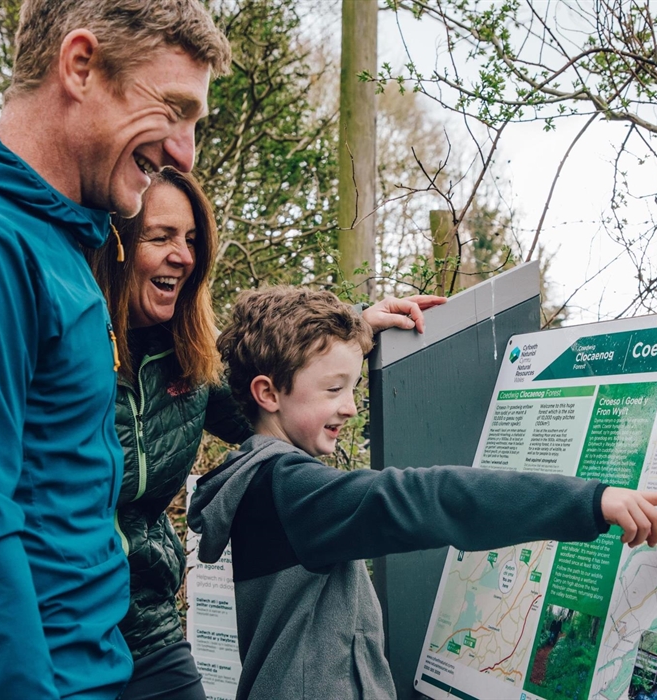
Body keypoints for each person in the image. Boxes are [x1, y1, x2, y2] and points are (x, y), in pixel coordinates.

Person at [0, 2, 230, 698]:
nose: (183, 152)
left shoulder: (59, 244)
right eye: (171, 109)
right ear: (79, 65)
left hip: (88, 671)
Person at [187, 286, 657, 699]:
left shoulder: (258, 481)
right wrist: (589, 501)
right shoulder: (293, 491)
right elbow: (432, 498)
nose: (351, 407)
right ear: (268, 393)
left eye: (354, 388)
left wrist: (360, 326)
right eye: (333, 389)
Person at [88, 167, 445, 699]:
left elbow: (270, 395)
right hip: (59, 613)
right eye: (160, 237)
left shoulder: (191, 359)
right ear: (115, 245)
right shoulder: (68, 346)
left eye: (190, 240)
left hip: (146, 619)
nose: (182, 255)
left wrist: (347, 329)